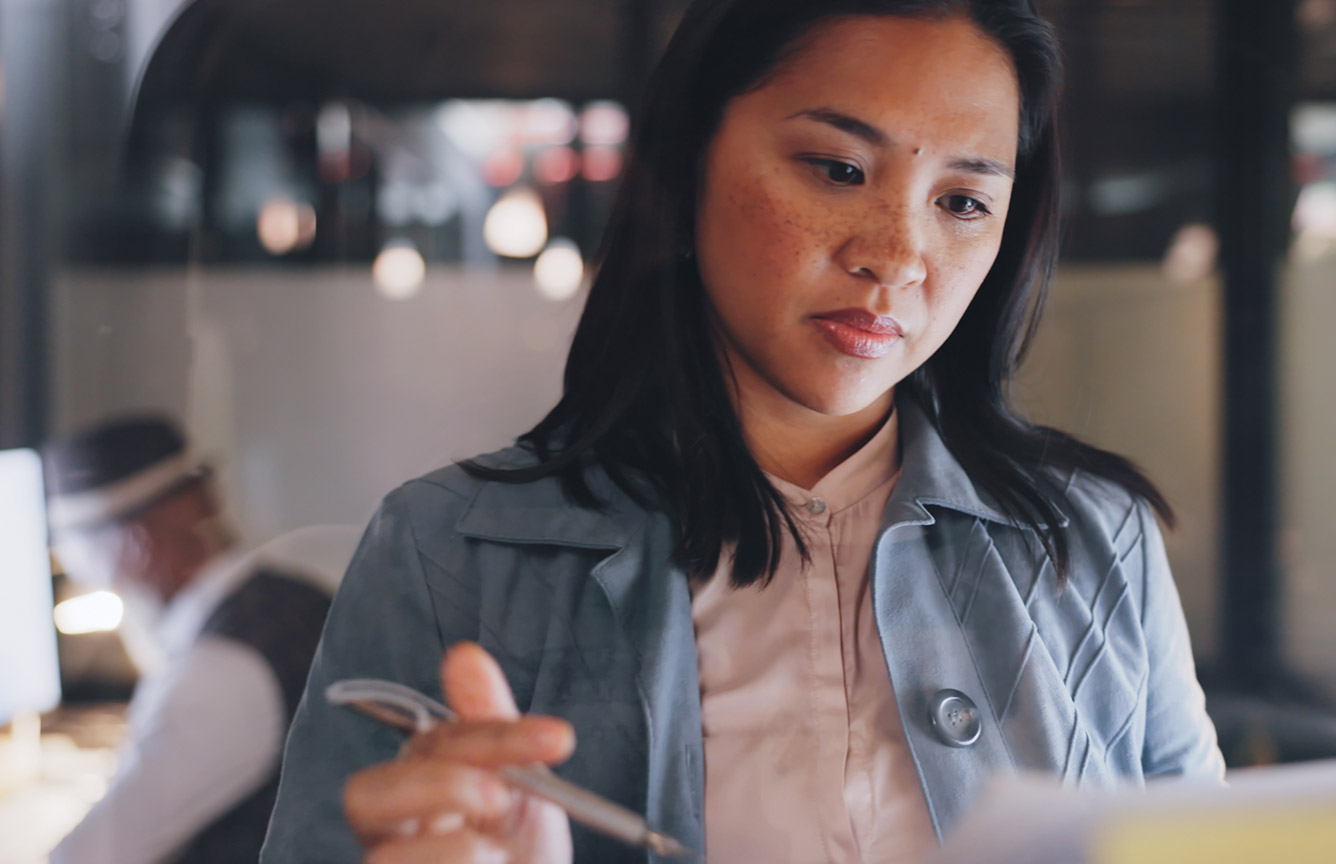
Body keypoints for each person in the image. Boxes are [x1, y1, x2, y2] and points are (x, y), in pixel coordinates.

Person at [262, 0, 1225, 862]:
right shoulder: (450, 551)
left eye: (964, 202)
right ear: (684, 170)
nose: (896, 255)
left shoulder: (1095, 538)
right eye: (840, 168)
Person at [44, 415, 338, 864]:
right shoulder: (293, 595)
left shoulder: (218, 671)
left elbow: (86, 857)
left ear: (136, 546)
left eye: (81, 559)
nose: (84, 579)